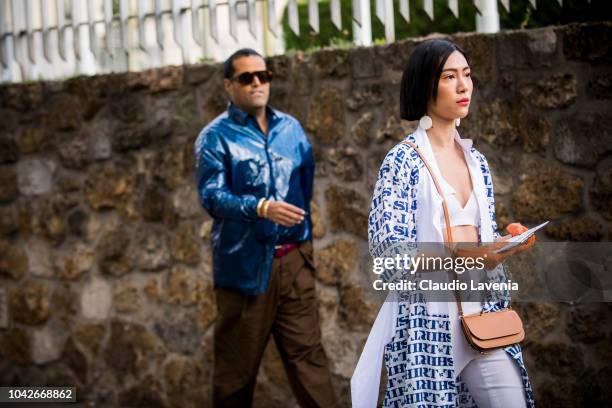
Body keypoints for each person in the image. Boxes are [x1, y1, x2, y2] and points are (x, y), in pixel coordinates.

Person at [351, 39, 536, 407]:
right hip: (425, 331)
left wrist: (502, 244)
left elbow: (480, 244)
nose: (464, 86)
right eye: (449, 76)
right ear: (425, 86)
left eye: (466, 74)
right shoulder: (402, 162)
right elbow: (391, 257)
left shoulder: (477, 162)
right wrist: (467, 255)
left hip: (482, 322)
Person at [194, 48, 338, 408]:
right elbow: (211, 197)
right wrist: (260, 207)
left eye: (263, 75)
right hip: (245, 270)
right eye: (246, 77)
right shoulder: (215, 137)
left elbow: (305, 185)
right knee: (236, 376)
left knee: (310, 362)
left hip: (294, 266)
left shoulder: (291, 129)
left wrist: (304, 249)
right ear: (229, 85)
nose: (257, 82)